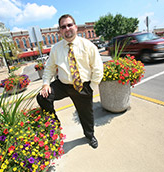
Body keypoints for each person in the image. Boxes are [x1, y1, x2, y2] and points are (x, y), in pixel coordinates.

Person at [36, 14, 103, 149]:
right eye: (63, 27)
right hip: (63, 85)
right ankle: (55, 126)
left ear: (75, 27)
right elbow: (49, 68)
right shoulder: (56, 48)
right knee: (42, 97)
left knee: (86, 115)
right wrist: (45, 84)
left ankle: (90, 136)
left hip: (82, 86)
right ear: (60, 31)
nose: (67, 28)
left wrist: (91, 87)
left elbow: (98, 68)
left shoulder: (88, 45)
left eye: (69, 25)